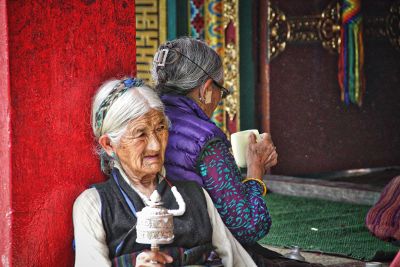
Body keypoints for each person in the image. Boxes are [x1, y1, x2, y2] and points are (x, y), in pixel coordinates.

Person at [73, 77, 258, 267]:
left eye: (160, 128)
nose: (155, 145)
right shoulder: (93, 205)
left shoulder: (196, 195)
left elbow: (238, 262)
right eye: (140, 134)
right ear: (109, 144)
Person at [151, 37, 278, 245]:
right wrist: (256, 170)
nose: (219, 98)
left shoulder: (142, 121)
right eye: (221, 90)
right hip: (195, 250)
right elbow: (249, 226)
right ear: (206, 89)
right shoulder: (205, 141)